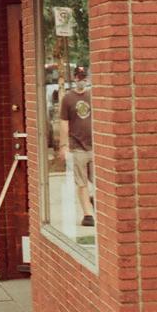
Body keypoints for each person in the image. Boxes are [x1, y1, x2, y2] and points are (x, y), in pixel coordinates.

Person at [57, 65, 95, 227]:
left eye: (84, 77)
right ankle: (88, 214)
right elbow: (64, 123)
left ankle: (93, 200)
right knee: (82, 182)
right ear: (74, 78)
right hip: (77, 146)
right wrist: (63, 145)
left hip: (94, 146)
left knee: (97, 180)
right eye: (79, 77)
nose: (82, 80)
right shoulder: (68, 99)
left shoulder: (92, 95)